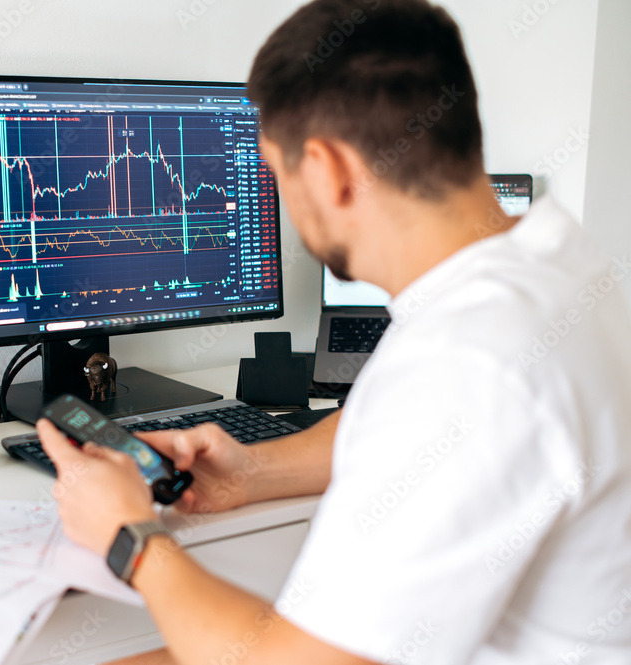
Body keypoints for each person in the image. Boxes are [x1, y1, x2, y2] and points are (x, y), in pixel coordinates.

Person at [37, 0, 631, 663]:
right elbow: (419, 428)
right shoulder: (551, 261)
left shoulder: (469, 358)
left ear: (328, 170)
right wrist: (252, 471)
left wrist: (131, 537)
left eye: (277, 173)